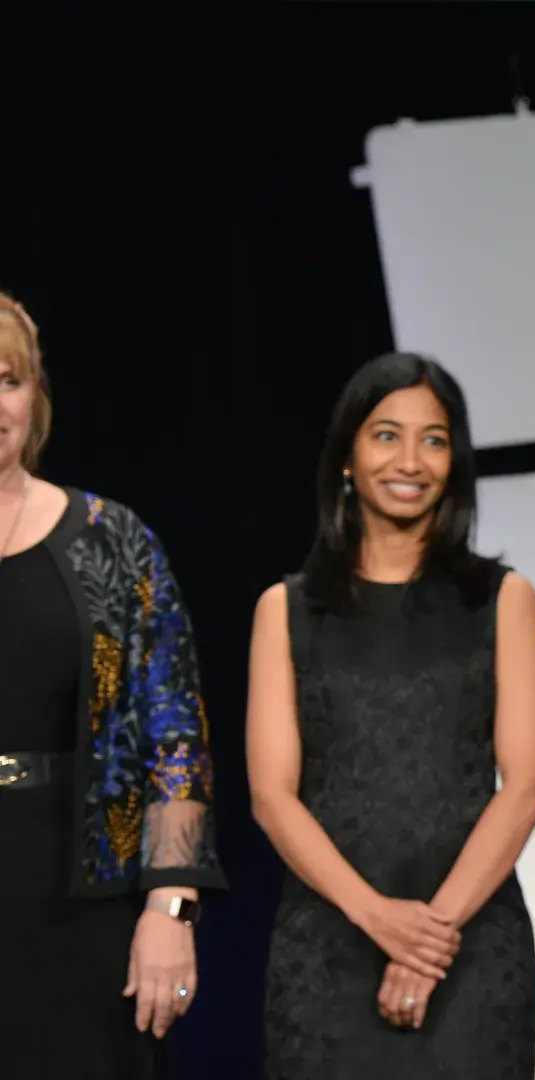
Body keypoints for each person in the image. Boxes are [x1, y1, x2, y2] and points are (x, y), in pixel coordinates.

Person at [247, 352, 535, 1079]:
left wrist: (431, 934)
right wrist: (380, 918)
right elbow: (271, 796)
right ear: (347, 455)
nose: (410, 459)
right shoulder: (286, 610)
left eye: (434, 439)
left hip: (472, 950)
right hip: (328, 947)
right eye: (386, 435)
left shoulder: (503, 599)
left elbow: (529, 784)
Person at [0, 290, 223, 1078]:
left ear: (37, 398)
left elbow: (175, 738)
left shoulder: (112, 539)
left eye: (8, 380)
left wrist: (171, 906)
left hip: (84, 908)